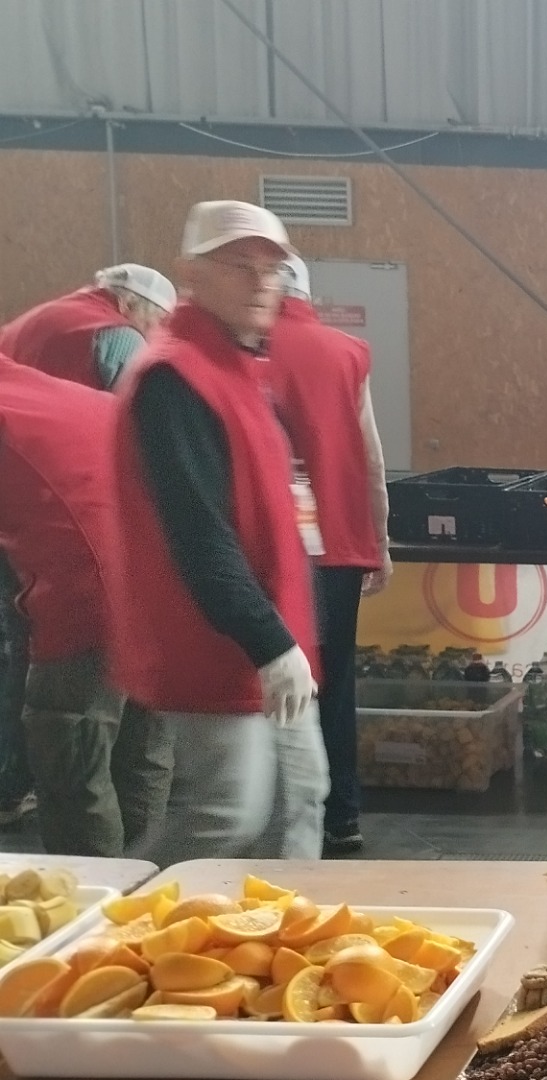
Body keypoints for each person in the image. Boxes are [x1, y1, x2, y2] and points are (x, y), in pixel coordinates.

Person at [108, 200, 327, 863]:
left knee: (300, 796)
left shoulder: (239, 370)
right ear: (191, 274)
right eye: (240, 266)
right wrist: (269, 642)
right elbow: (199, 532)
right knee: (227, 813)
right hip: (220, 641)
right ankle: (111, 927)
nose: (263, 282)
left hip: (269, 634)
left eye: (274, 269)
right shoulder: (175, 379)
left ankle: (287, 947)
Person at [0, 263, 175, 828]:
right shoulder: (108, 341)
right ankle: (151, 888)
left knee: (68, 748)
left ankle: (106, 902)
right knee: (140, 742)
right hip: (148, 554)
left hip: (83, 575)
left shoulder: (25, 331)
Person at [265, 255, 393, 856]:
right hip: (338, 549)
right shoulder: (347, 352)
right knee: (333, 681)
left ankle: (282, 820)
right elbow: (371, 460)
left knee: (268, 679)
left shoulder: (241, 349)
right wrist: (380, 544)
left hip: (264, 548)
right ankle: (342, 816)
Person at [0, 263, 176, 391]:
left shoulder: (40, 316)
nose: (160, 334)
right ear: (128, 305)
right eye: (160, 321)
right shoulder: (122, 336)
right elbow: (148, 412)